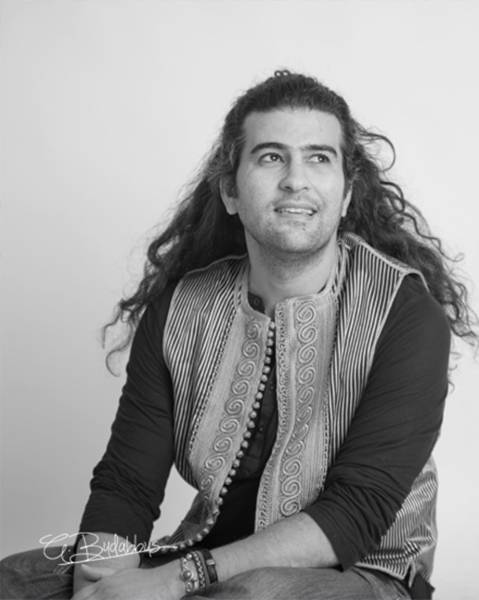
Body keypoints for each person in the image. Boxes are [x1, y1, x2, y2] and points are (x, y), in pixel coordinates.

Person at [1, 70, 477, 600]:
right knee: (17, 580)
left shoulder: (405, 314)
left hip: (367, 573)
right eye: (271, 157)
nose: (296, 180)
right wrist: (100, 581)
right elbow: (128, 482)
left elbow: (355, 512)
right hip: (210, 557)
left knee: (250, 595)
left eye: (319, 158)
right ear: (230, 189)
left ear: (346, 193)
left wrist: (172, 581)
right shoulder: (180, 309)